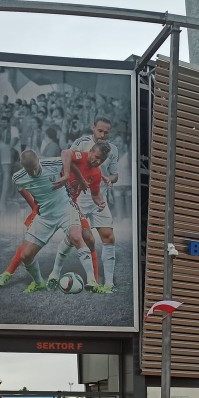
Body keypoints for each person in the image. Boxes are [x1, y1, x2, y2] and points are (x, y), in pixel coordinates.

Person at [0, 150, 98, 293]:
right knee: (25, 255)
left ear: (39, 160)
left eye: (35, 167)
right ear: (23, 167)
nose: (33, 172)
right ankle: (39, 283)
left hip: (65, 209)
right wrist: (34, 207)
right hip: (45, 216)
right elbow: (21, 189)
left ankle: (91, 280)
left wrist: (75, 178)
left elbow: (70, 161)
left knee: (76, 236)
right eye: (29, 170)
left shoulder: (52, 163)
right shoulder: (17, 177)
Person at [57, 117, 121, 291]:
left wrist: (109, 179)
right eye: (100, 131)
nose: (102, 135)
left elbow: (115, 174)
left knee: (109, 236)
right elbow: (67, 161)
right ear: (93, 128)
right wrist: (76, 178)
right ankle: (58, 272)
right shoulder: (81, 143)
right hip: (78, 199)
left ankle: (109, 284)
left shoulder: (113, 150)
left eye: (106, 132)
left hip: (98, 197)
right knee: (81, 238)